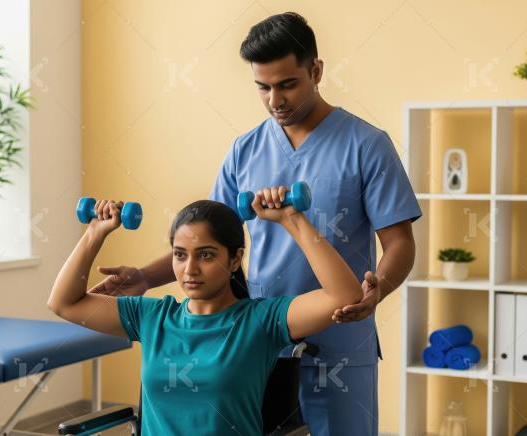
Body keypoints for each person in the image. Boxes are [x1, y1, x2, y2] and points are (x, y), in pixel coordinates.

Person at [89, 12, 422, 435]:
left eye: (287, 84)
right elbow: (207, 238)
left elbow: (400, 245)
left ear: (316, 71)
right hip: (256, 340)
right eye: (262, 87)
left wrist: (378, 291)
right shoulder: (244, 150)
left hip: (338, 337)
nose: (274, 100)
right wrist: (145, 277)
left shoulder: (367, 145)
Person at [48, 196, 363, 435]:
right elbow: (64, 303)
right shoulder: (152, 316)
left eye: (206, 255)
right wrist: (94, 233)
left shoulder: (262, 321)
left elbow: (344, 296)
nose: (190, 270)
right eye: (180, 255)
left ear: (236, 259)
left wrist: (294, 221)